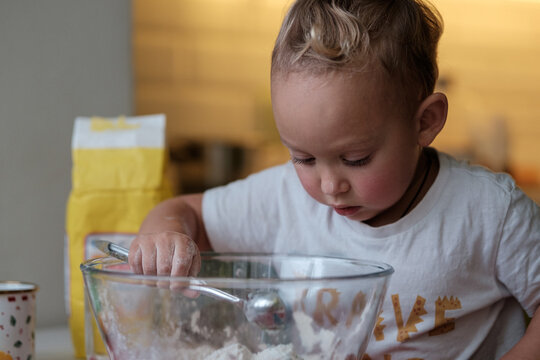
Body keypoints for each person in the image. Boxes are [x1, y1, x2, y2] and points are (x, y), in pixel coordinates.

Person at [128, 0, 540, 358]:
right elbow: (183, 211)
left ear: (425, 122)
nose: (328, 185)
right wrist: (166, 237)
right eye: (303, 157)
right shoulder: (283, 199)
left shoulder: (488, 211)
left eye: (355, 159)